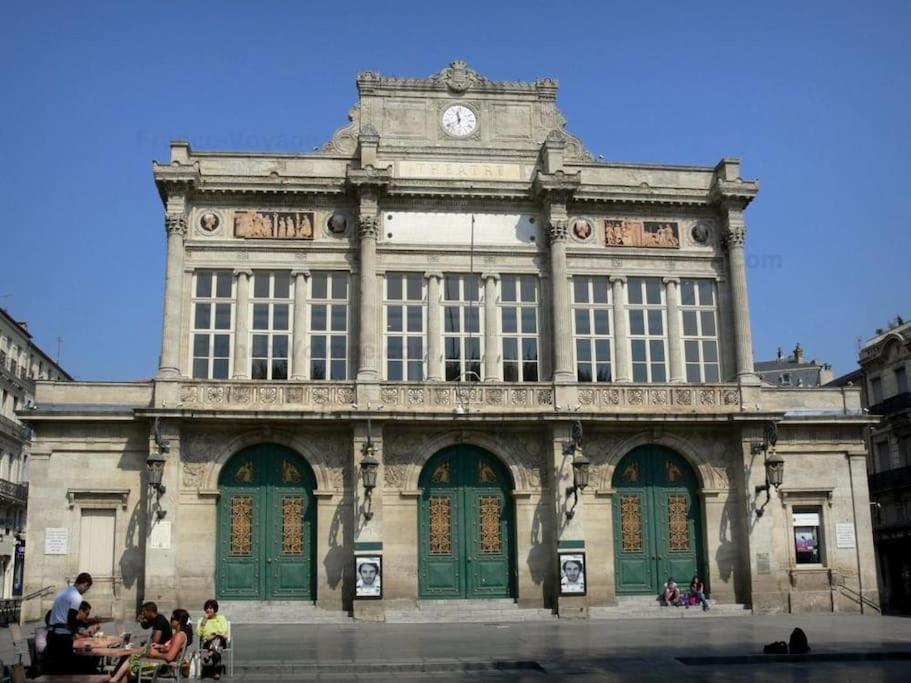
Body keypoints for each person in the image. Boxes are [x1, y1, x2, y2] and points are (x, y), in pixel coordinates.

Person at [109, 608, 192, 682]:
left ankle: (114, 679)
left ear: (179, 622)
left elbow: (170, 657)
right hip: (161, 664)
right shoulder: (179, 634)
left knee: (130, 660)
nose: (170, 620)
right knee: (129, 661)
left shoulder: (179, 636)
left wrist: (156, 654)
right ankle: (115, 679)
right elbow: (172, 648)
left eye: (172, 618)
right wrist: (160, 646)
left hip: (162, 667)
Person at [44, 572, 93, 674]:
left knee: (52, 671)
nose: (85, 591)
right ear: (85, 584)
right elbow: (71, 619)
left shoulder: (62, 592)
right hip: (63, 637)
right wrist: (81, 630)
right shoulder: (76, 596)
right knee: (65, 671)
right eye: (87, 588)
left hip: (51, 634)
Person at [197, 599, 229, 680]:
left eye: (211, 608)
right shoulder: (202, 620)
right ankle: (216, 672)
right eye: (207, 608)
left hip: (221, 640)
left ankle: (209, 654)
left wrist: (215, 634)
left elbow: (224, 630)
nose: (209, 610)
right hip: (207, 642)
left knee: (217, 639)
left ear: (215, 609)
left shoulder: (221, 618)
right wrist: (204, 621)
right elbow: (199, 633)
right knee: (216, 648)